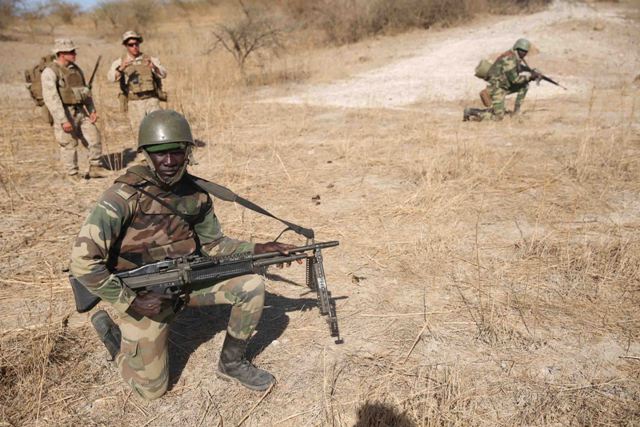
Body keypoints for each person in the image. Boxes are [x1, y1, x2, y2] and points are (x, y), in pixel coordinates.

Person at [69, 110, 294, 400]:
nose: (169, 161)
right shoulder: (122, 198)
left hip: (186, 281)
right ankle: (112, 337)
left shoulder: (196, 194)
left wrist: (258, 249)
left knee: (251, 286)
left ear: (188, 152)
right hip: (144, 296)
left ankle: (231, 364)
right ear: (146, 154)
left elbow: (214, 245)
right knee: (151, 391)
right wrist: (132, 301)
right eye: (159, 153)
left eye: (176, 151)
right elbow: (83, 262)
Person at [41, 38, 105, 180]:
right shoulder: (50, 72)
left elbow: (85, 92)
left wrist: (92, 110)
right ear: (62, 54)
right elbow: (52, 99)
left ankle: (95, 167)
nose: (75, 54)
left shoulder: (76, 70)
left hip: (80, 111)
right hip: (64, 112)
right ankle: (72, 173)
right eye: (71, 52)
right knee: (69, 144)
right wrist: (63, 120)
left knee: (94, 137)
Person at [107, 31, 167, 137]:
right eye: (131, 45)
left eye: (136, 44)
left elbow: (163, 74)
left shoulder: (149, 59)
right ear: (126, 46)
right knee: (140, 133)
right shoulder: (120, 62)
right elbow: (111, 79)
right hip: (134, 103)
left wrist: (154, 67)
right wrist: (121, 68)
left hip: (151, 100)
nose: (134, 47)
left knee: (158, 128)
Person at [463, 38, 540, 122]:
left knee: (524, 86)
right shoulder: (510, 59)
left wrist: (529, 72)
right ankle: (471, 111)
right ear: (517, 48)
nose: (524, 53)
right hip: (497, 88)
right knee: (498, 117)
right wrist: (530, 77)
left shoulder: (514, 56)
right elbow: (515, 80)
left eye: (525, 51)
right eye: (522, 51)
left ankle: (516, 112)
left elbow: (516, 68)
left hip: (504, 85)